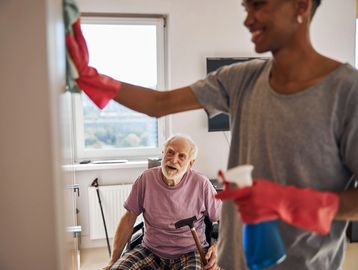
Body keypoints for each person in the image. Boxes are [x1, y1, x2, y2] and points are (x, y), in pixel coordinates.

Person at [68, 0, 358, 269]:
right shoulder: (242, 78)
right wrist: (90, 76)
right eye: (246, 7)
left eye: (258, 5)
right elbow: (159, 103)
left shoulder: (347, 93)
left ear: (301, 5)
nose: (247, 20)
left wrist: (294, 202)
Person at [103, 135, 222, 270]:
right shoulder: (146, 179)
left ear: (190, 163)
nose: (173, 160)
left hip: (190, 251)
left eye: (181, 156)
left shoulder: (201, 184)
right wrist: (113, 260)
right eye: (170, 152)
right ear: (163, 154)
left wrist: (218, 248)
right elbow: (129, 217)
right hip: (150, 250)